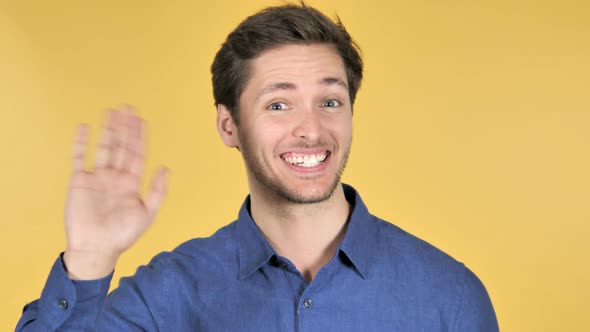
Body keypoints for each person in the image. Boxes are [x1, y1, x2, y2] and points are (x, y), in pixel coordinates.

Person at [17, 3, 498, 331]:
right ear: (229, 126)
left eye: (330, 101)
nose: (311, 129)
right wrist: (89, 260)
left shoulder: (447, 295)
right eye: (278, 105)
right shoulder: (168, 293)